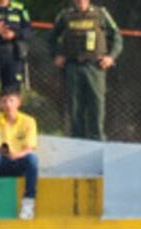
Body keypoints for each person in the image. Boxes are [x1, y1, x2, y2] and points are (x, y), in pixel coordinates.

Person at [49, 0, 123, 141]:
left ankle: (98, 139)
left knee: (96, 104)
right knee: (75, 105)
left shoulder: (101, 13)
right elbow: (51, 38)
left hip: (95, 66)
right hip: (72, 65)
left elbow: (117, 37)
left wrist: (111, 57)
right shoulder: (65, 15)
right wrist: (56, 55)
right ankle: (77, 138)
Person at [0, 90, 38, 221]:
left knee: (32, 159)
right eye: (4, 101)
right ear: (0, 104)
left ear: (19, 103)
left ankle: (28, 204)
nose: (8, 104)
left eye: (11, 100)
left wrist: (17, 154)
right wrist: (8, 153)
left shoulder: (29, 121)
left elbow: (30, 147)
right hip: (2, 161)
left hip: (19, 161)